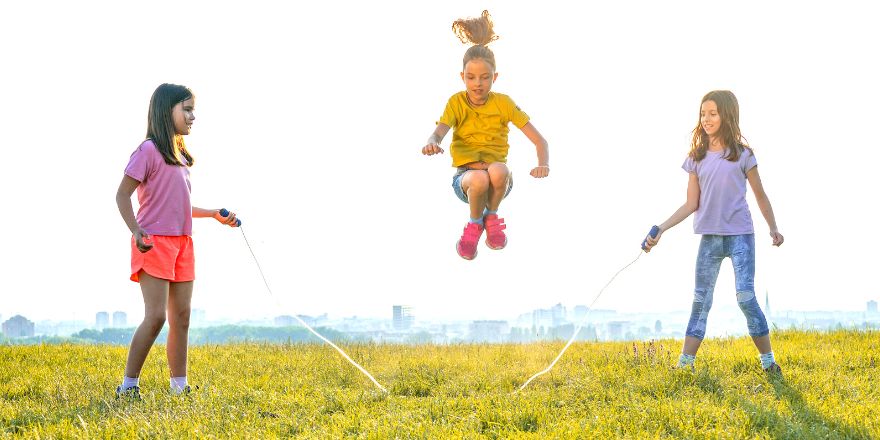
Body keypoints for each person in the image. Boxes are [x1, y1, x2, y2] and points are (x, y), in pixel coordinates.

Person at [643, 90, 784, 374]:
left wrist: (773, 228)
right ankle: (685, 365)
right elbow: (690, 204)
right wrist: (661, 229)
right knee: (700, 300)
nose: (706, 119)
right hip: (709, 239)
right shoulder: (696, 158)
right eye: (703, 114)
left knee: (745, 296)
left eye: (713, 113)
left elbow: (760, 195)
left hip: (741, 236)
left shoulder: (743, 155)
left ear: (727, 115)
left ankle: (769, 364)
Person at [114, 83, 238, 397]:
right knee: (155, 316)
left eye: (192, 109)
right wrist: (136, 231)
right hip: (153, 242)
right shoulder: (148, 151)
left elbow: (178, 205)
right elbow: (122, 195)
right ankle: (128, 387)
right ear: (165, 111)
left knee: (181, 317)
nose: (192, 116)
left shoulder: (180, 157)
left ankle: (179, 388)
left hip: (183, 244)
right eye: (186, 109)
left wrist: (213, 214)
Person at [422, 10, 550, 260]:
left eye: (484, 77)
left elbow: (540, 140)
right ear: (462, 77)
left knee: (498, 170)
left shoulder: (503, 103)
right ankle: (474, 225)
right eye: (471, 77)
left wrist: (543, 164)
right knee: (479, 178)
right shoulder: (456, 103)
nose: (477, 84)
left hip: (498, 184)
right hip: (466, 181)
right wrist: (432, 142)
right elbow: (439, 132)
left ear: (495, 77)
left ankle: (490, 217)